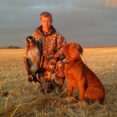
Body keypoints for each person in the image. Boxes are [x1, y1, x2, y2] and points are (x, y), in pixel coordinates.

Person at [25, 12, 67, 86]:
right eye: (44, 21)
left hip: (53, 63)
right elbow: (28, 53)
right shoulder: (34, 36)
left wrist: (54, 59)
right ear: (41, 21)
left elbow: (64, 49)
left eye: (48, 21)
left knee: (61, 65)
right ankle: (44, 82)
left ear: (51, 21)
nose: (46, 23)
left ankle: (58, 87)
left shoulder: (57, 36)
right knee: (45, 89)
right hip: (40, 64)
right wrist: (31, 46)